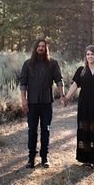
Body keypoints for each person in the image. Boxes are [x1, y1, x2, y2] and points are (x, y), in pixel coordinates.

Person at [61, 45, 94, 169]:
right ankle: (86, 160)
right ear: (85, 56)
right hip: (84, 104)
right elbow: (75, 85)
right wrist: (66, 98)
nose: (90, 56)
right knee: (85, 130)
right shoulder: (81, 70)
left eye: (92, 54)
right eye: (87, 54)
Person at [20, 39, 65, 168]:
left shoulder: (52, 63)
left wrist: (62, 95)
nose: (40, 48)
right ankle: (31, 158)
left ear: (46, 49)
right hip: (32, 103)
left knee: (45, 130)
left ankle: (44, 157)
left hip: (46, 102)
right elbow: (23, 83)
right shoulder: (27, 64)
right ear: (35, 48)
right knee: (32, 130)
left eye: (43, 46)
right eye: (39, 46)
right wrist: (24, 99)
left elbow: (59, 80)